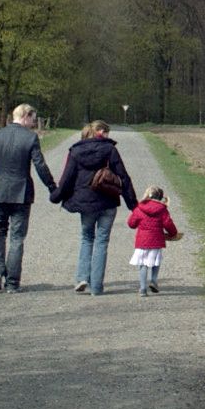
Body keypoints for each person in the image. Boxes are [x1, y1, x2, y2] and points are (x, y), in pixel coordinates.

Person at [0, 103, 57, 293]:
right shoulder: (30, 138)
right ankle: (12, 283)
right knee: (17, 238)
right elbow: (40, 166)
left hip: (0, 192)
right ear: (25, 116)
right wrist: (52, 187)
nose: (34, 123)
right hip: (22, 193)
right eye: (33, 119)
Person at [50, 119, 137, 295]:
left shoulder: (75, 151)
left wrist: (56, 196)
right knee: (102, 241)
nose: (107, 136)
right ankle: (96, 287)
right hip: (108, 201)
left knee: (87, 238)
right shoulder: (109, 150)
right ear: (100, 132)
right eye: (106, 132)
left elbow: (67, 179)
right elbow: (123, 177)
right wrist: (133, 205)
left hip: (86, 204)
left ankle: (82, 278)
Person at [126, 185, 180, 297]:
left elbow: (131, 224)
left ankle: (142, 288)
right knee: (155, 261)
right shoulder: (162, 209)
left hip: (142, 241)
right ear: (160, 197)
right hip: (156, 240)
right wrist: (173, 234)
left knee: (143, 264)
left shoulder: (139, 208)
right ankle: (154, 281)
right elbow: (168, 223)